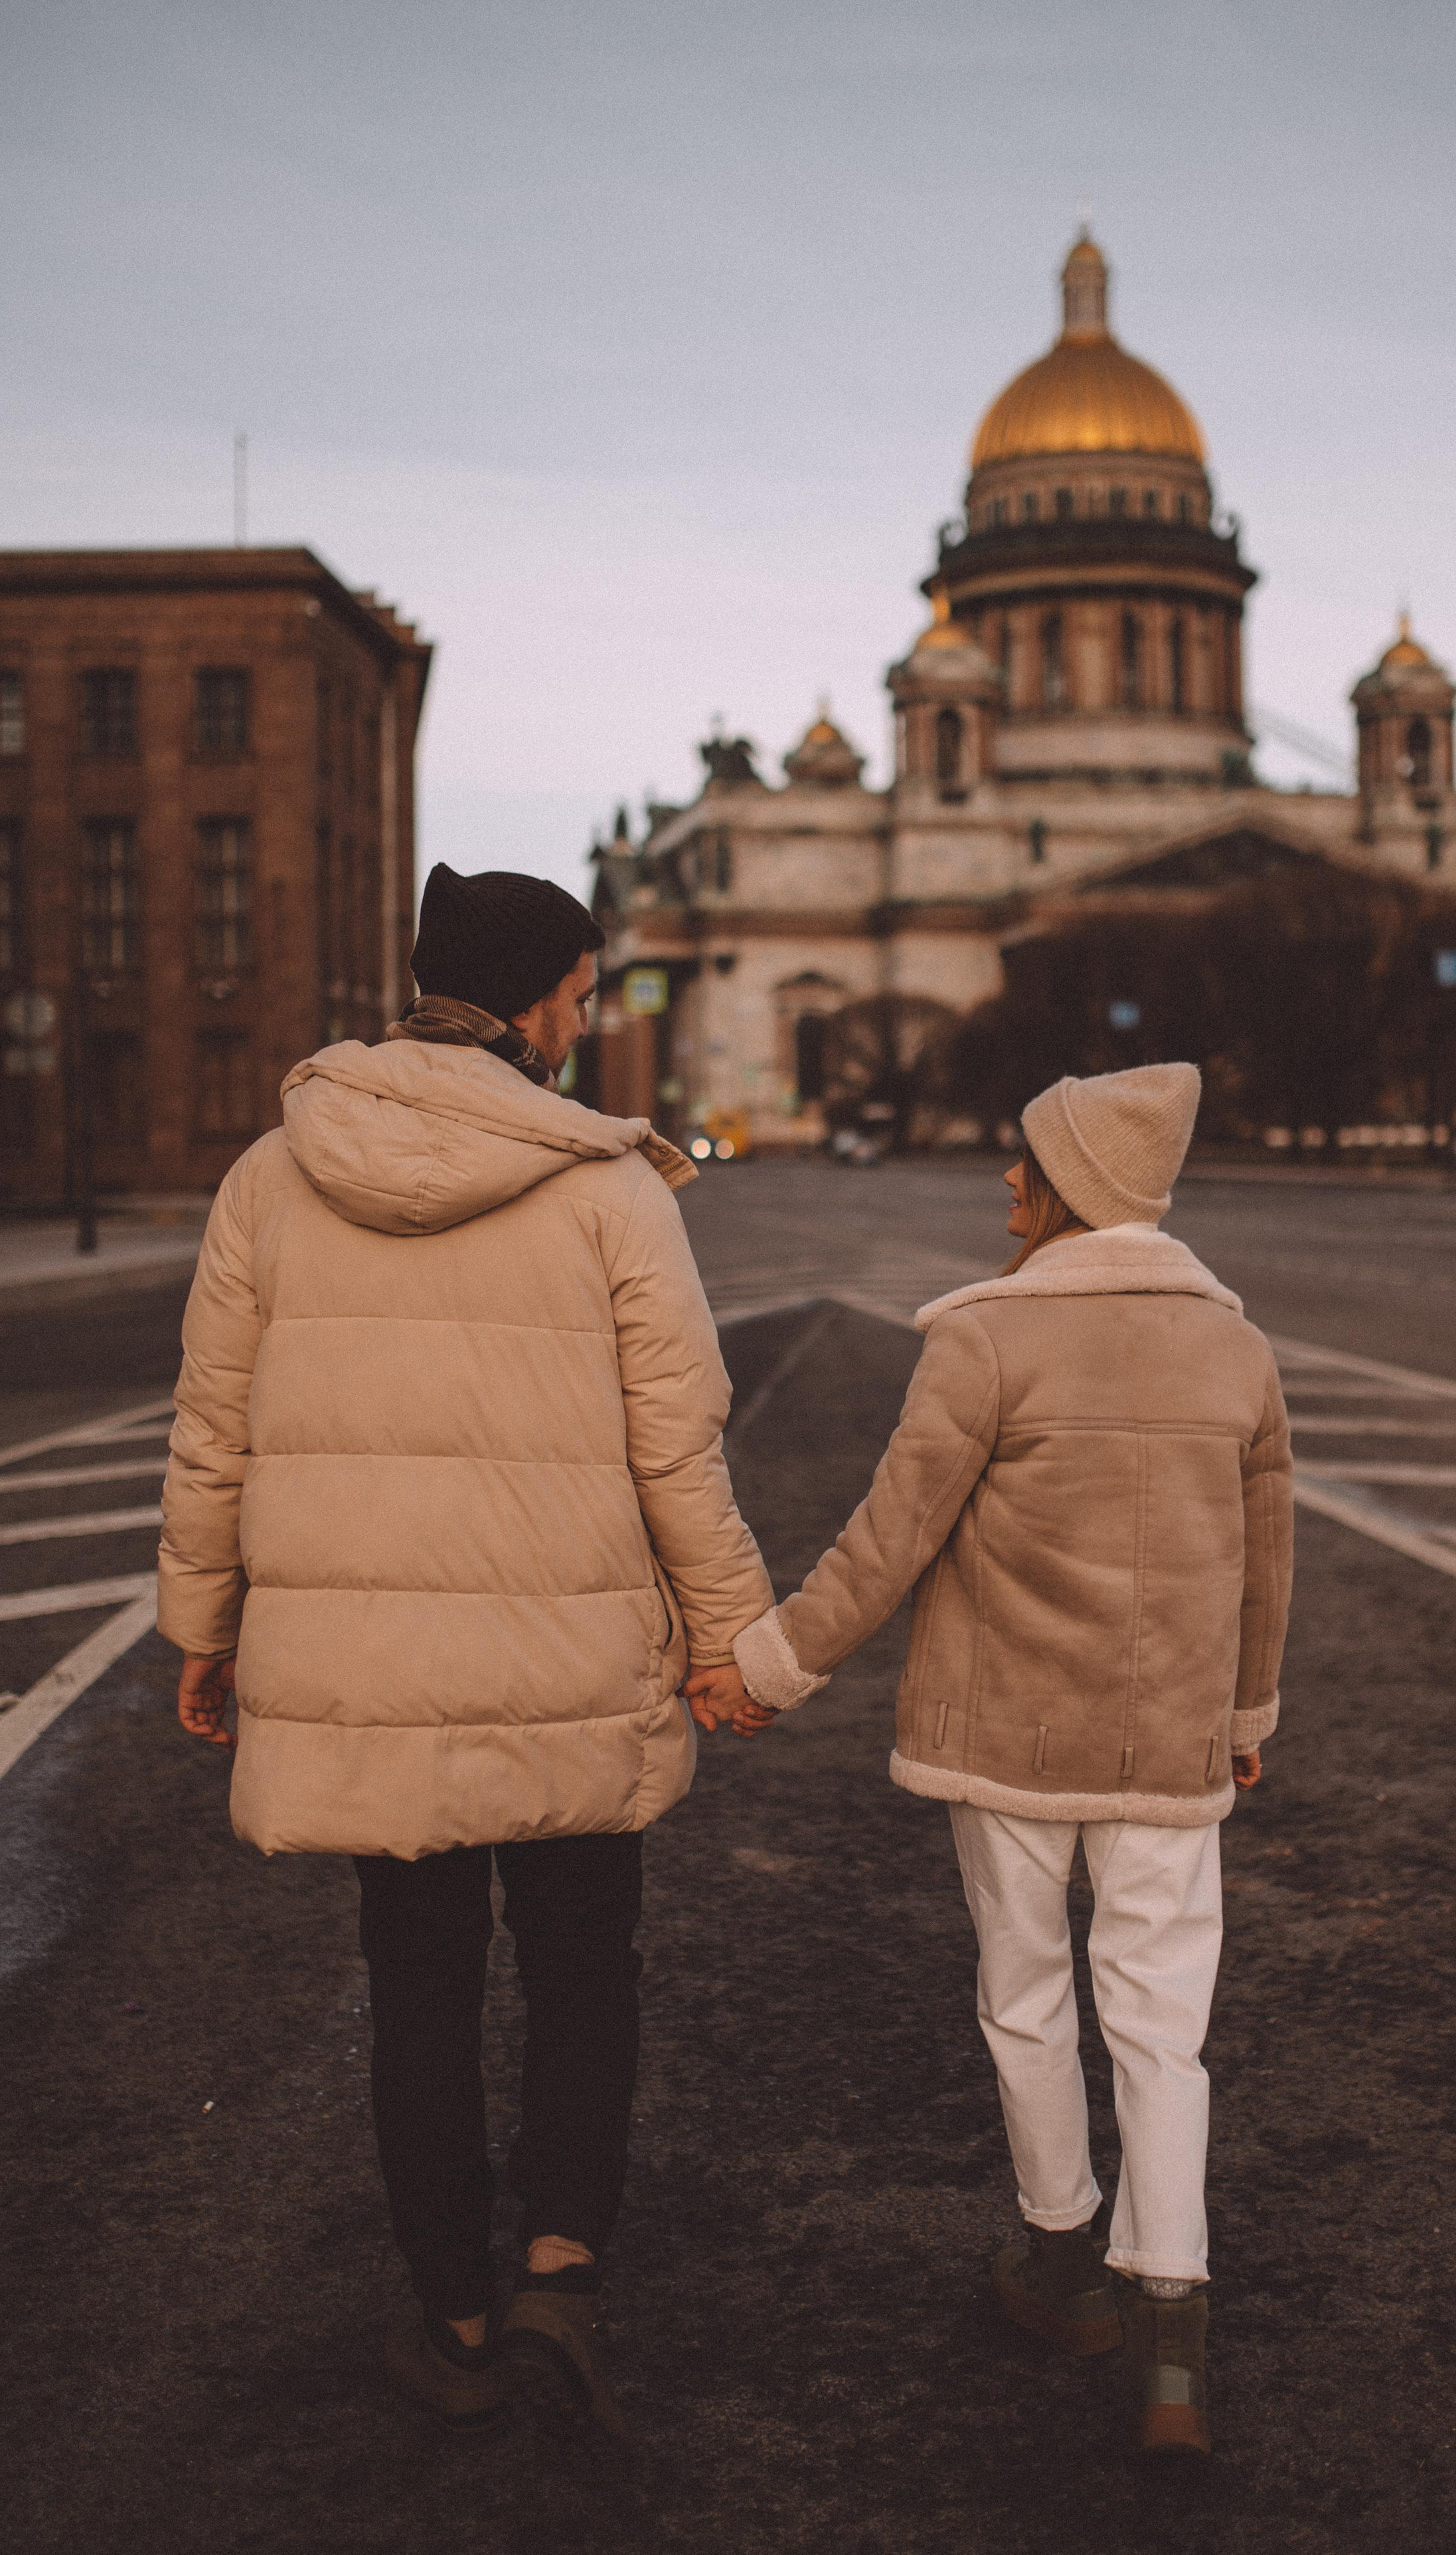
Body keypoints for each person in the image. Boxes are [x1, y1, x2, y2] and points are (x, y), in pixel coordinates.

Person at [159, 863, 771, 2429]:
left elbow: (214, 1432)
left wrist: (203, 1624)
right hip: (573, 1659)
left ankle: (452, 2314)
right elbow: (678, 1446)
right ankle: (562, 2270)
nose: (585, 1019)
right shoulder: (610, 1185)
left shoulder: (270, 1177)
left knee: (418, 1985)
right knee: (581, 1971)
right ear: (534, 1003)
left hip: (370, 1672)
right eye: (580, 993)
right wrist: (725, 1636)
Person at [698, 1063, 1293, 2457]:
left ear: (1075, 1185)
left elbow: (888, 1540)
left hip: (1004, 1733)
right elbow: (1265, 1561)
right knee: (1163, 2027)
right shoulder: (1238, 1351)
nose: (1006, 1180)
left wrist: (769, 1668)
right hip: (1167, 1742)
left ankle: (1061, 2259)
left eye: (1027, 1162)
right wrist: (1246, 1715)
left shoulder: (984, 1341)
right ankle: (1172, 2337)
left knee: (1025, 1996)